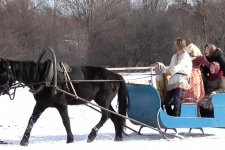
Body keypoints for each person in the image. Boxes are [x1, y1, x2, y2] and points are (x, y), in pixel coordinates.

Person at [160, 38, 192, 117]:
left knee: (176, 100)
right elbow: (171, 67)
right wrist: (163, 71)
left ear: (180, 45)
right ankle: (171, 117)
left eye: (175, 45)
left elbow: (180, 66)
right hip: (173, 80)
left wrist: (172, 70)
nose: (174, 46)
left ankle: (177, 117)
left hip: (181, 79)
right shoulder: (174, 56)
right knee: (166, 101)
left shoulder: (185, 56)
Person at [182, 43, 210, 117]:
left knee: (195, 95)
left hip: (194, 77)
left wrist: (211, 65)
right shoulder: (187, 58)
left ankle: (196, 113)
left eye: (190, 52)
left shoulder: (198, 58)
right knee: (188, 95)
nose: (190, 54)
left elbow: (206, 62)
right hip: (189, 76)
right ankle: (190, 113)